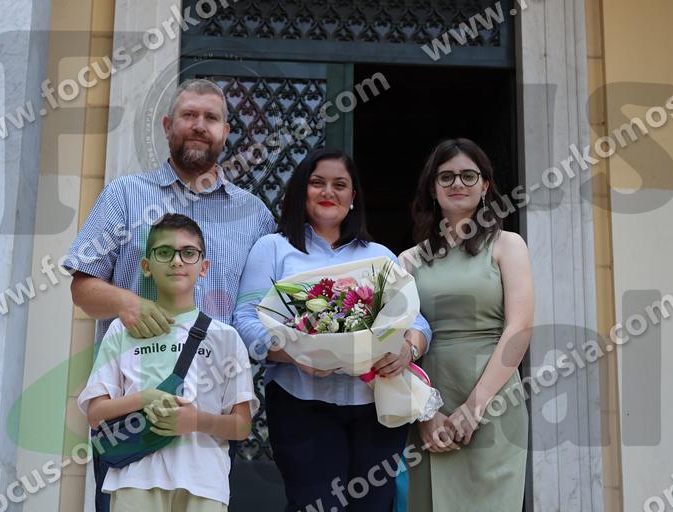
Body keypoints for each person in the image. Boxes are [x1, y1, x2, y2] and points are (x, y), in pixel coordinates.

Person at [66, 79, 274, 510]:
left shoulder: (254, 215)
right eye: (188, 115)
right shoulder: (124, 196)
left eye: (210, 118)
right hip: (131, 416)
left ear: (225, 132)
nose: (199, 125)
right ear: (167, 125)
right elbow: (82, 288)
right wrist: (127, 302)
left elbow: (264, 309)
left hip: (209, 423)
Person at [233, 147, 432, 511]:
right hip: (301, 404)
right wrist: (294, 354)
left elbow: (416, 320)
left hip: (375, 406)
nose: (328, 192)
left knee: (375, 505)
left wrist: (409, 349)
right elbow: (245, 318)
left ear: (353, 197)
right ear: (301, 191)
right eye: (317, 182)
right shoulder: (273, 249)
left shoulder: (379, 256)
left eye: (340, 185)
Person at [78, 213, 258, 512]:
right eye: (164, 252)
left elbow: (241, 425)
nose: (177, 261)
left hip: (205, 482)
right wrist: (145, 398)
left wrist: (195, 421)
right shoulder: (123, 330)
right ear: (146, 266)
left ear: (204, 267)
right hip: (134, 479)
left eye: (188, 253)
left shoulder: (226, 337)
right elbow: (96, 414)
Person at [402, 138, 533, 511]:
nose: (457, 183)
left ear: (485, 185)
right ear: (432, 188)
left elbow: (520, 327)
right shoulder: (407, 260)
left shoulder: (508, 246)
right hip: (430, 402)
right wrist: (425, 414)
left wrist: (475, 408)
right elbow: (395, 344)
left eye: (468, 175)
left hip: (495, 401)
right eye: (446, 176)